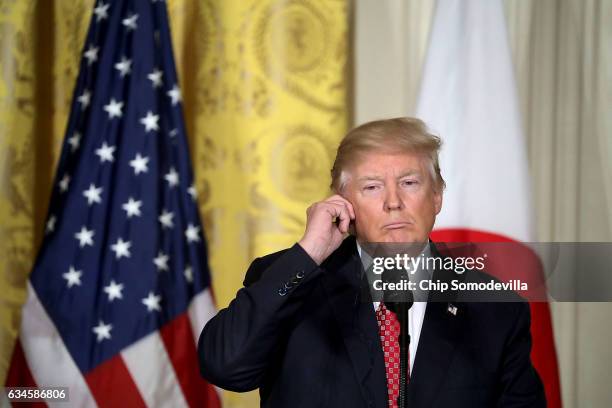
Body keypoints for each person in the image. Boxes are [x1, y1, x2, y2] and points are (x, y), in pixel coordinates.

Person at [198, 118, 546, 407]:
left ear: (437, 196)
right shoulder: (292, 278)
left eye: (409, 183)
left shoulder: (494, 308)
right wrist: (307, 254)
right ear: (343, 202)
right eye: (372, 187)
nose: (393, 202)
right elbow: (225, 367)